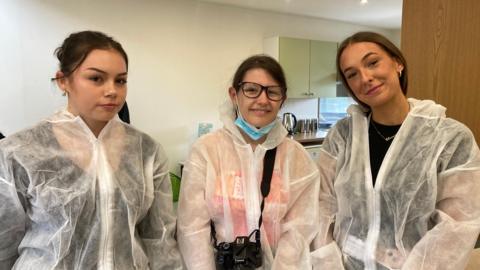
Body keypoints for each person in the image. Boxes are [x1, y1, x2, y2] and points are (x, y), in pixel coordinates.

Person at [0, 30, 182, 269]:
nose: (112, 90)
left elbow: (159, 239)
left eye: (121, 80)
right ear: (63, 81)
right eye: (96, 78)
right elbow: (5, 240)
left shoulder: (146, 151)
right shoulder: (21, 150)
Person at [311, 31, 480, 270]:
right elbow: (322, 206)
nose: (365, 78)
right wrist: (328, 264)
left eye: (372, 62)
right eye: (352, 74)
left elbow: (458, 227)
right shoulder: (343, 136)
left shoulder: (450, 139)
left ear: (397, 63)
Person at [177, 55, 319, 269]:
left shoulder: (297, 158)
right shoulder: (206, 151)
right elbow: (193, 229)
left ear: (283, 99)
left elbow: (300, 230)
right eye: (252, 90)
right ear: (234, 95)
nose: (263, 100)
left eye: (272, 92)